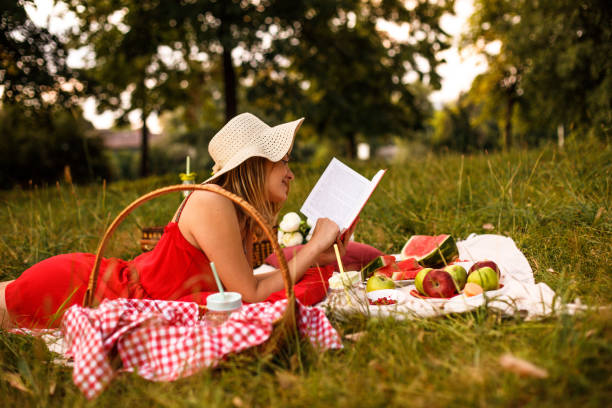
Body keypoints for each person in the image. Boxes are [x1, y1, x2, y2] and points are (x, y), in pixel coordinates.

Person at [0, 113, 357, 329]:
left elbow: (243, 282)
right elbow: (250, 294)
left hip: (108, 284)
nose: (291, 174)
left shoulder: (236, 210)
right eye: (285, 162)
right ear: (256, 163)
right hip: (86, 290)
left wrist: (320, 254)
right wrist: (311, 247)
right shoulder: (213, 202)